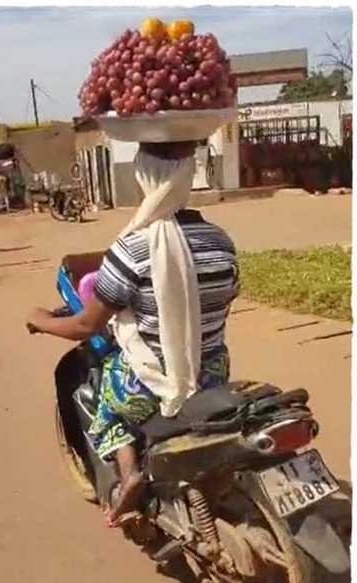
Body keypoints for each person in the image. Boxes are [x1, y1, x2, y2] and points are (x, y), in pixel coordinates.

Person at [26, 141, 238, 526]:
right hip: (212, 373)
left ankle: (129, 474)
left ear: (146, 180)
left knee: (106, 410)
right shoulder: (221, 241)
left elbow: (85, 325)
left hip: (150, 384)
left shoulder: (133, 249)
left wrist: (40, 319)